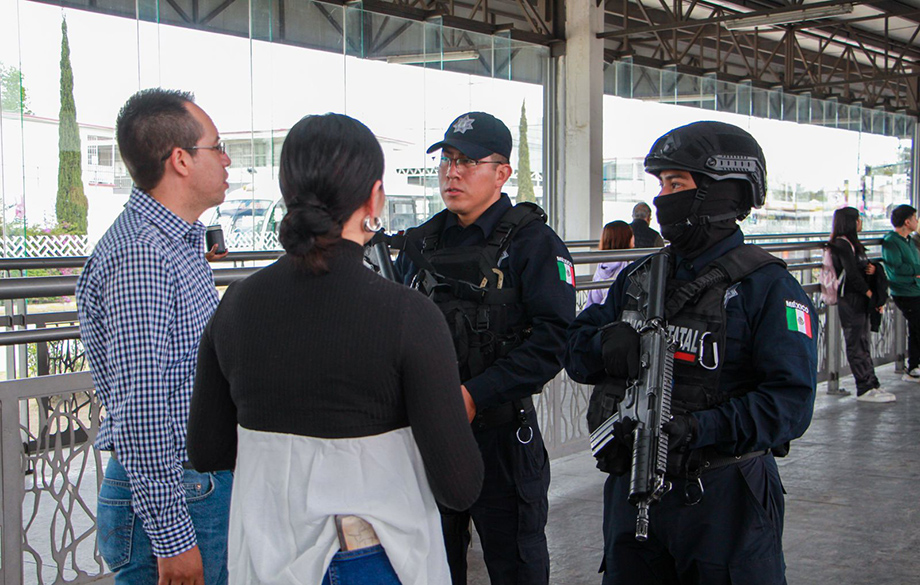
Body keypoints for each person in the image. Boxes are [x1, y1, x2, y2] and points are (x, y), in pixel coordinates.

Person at [187, 113, 484, 585]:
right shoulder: (407, 315)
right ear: (374, 197)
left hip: (267, 558)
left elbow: (207, 450)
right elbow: (459, 487)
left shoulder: (238, 305)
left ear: (288, 192)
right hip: (377, 559)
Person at [565, 121, 817, 585]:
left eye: (675, 184)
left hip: (725, 497)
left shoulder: (768, 288)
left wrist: (701, 428)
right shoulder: (640, 279)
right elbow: (575, 351)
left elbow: (790, 405)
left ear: (720, 193)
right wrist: (605, 343)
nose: (662, 198)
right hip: (634, 488)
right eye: (661, 184)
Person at [395, 111, 576, 585]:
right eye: (447, 160)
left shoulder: (534, 244)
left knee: (516, 566)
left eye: (468, 162)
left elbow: (554, 340)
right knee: (429, 569)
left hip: (501, 438)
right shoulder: (420, 243)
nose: (452, 173)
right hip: (428, 437)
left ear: (502, 173)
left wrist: (476, 394)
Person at [76, 88, 233, 585]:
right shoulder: (142, 255)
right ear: (181, 160)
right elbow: (141, 408)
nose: (227, 159)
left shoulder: (178, 243)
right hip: (178, 496)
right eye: (217, 146)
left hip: (195, 484)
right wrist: (172, 539)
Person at [828, 207, 893, 402]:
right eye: (858, 218)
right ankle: (864, 387)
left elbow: (859, 267)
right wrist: (870, 294)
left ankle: (871, 383)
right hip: (851, 298)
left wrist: (872, 269)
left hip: (859, 297)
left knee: (863, 341)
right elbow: (852, 273)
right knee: (856, 341)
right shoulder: (841, 244)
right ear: (851, 222)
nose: (861, 222)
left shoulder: (852, 243)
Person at [882, 204, 920, 383]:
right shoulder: (891, 242)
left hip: (915, 289)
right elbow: (896, 268)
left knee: (916, 328)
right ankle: (913, 367)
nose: (917, 221)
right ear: (907, 221)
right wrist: (916, 271)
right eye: (915, 218)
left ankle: (914, 365)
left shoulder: (909, 241)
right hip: (904, 292)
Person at [585, 220, 634, 309]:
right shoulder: (629, 265)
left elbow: (593, 298)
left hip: (601, 313)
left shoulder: (602, 265)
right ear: (626, 238)